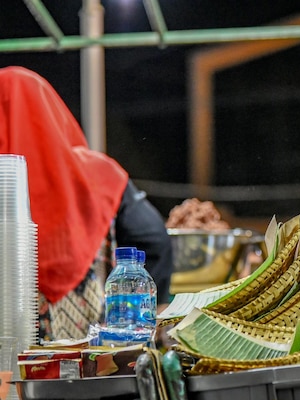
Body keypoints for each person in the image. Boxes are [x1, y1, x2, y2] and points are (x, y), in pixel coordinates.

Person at [0, 66, 173, 343]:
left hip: (14, 348)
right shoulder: (95, 173)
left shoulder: (6, 181)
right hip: (88, 350)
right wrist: (158, 303)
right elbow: (153, 236)